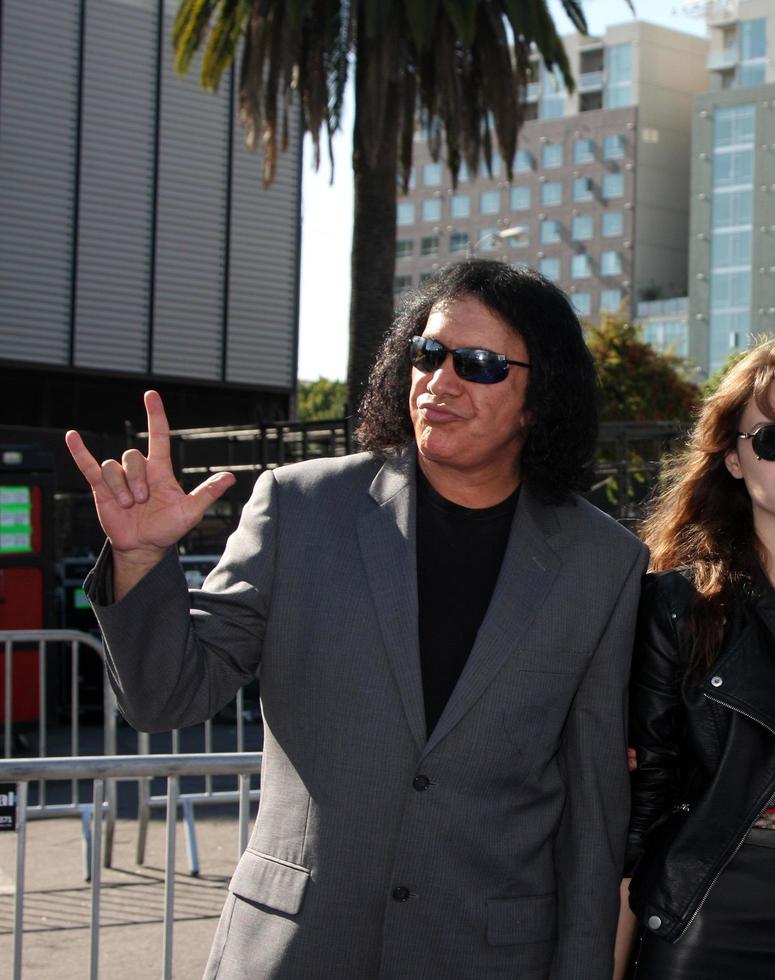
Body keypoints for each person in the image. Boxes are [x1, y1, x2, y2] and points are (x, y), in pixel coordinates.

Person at [65, 259, 648, 978]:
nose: (440, 381)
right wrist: (142, 561)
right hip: (296, 949)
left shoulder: (603, 563)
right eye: (428, 354)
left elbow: (594, 810)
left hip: (487, 956)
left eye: (480, 365)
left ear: (540, 397)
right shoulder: (300, 508)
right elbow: (163, 700)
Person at [619, 340, 775, 979]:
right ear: (732, 458)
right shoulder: (679, 605)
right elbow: (640, 805)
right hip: (705, 920)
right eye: (772, 441)